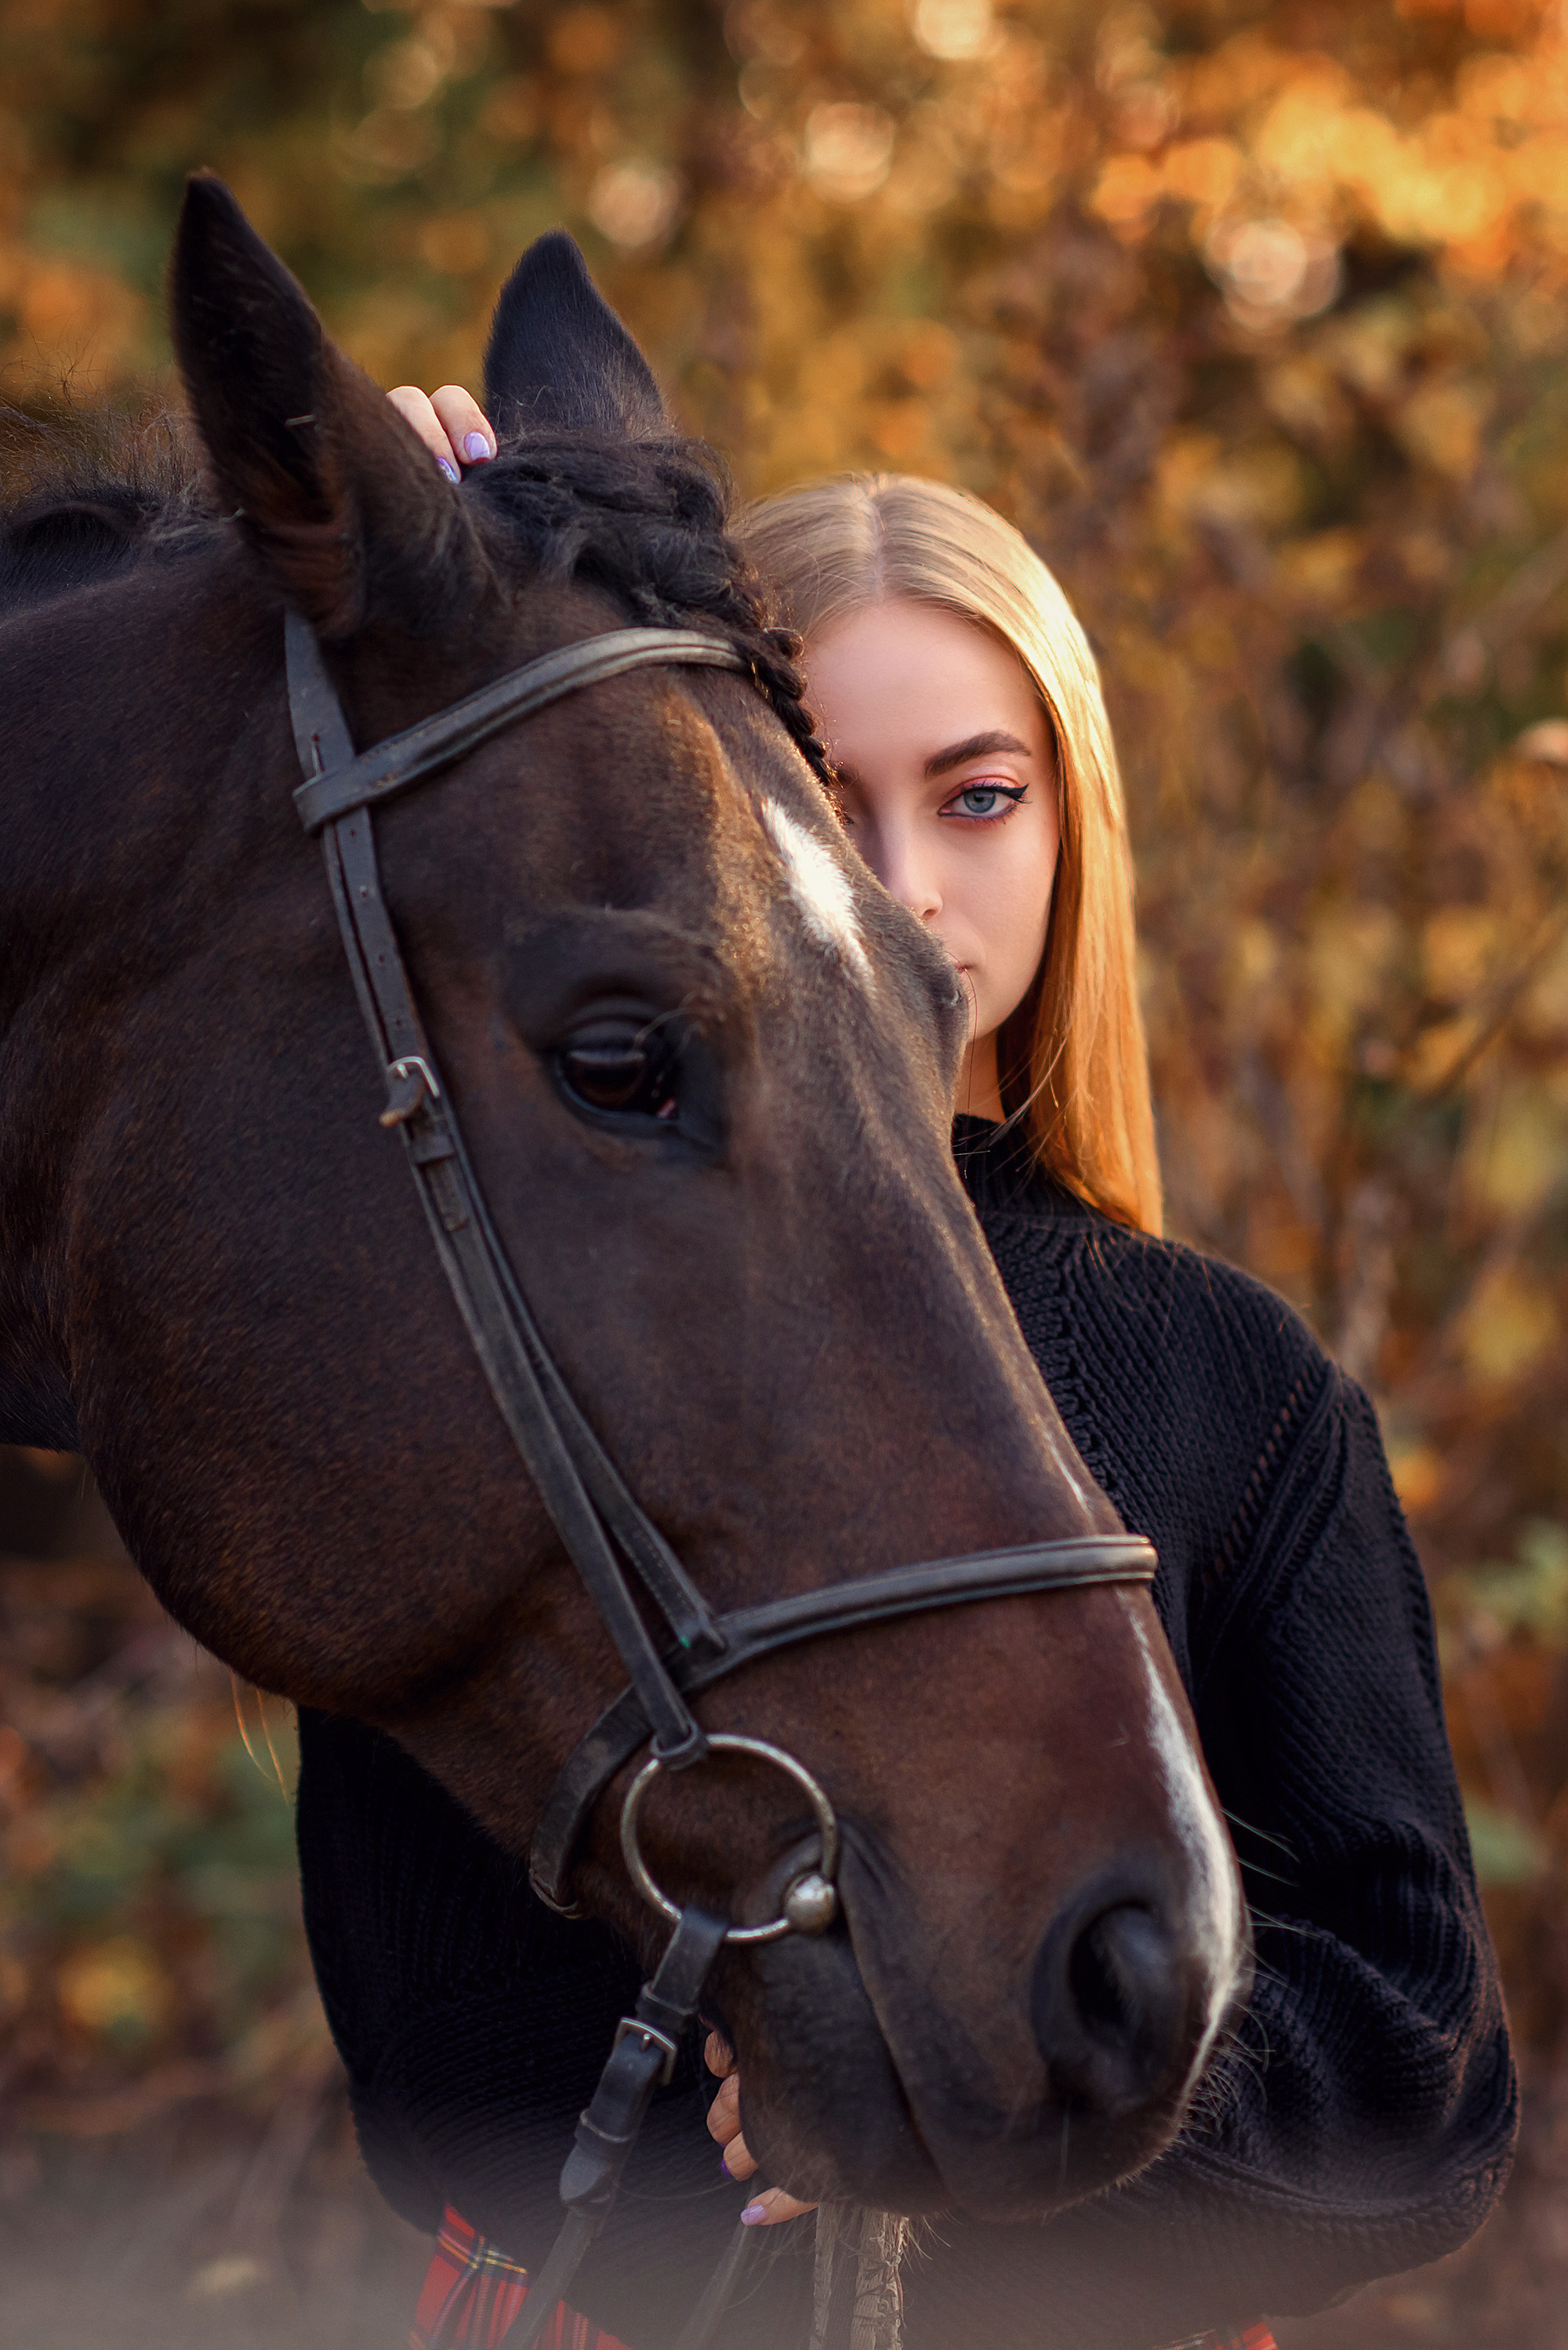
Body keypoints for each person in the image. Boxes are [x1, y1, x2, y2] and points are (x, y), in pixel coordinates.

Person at [296, 380, 1516, 2349]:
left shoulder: (1235, 1383)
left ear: (1068, 816)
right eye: (810, 788)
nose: (898, 878)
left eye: (973, 792)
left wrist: (998, 2091)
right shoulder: (529, 1317)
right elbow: (419, 2032)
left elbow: (1414, 2079)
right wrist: (440, 609)